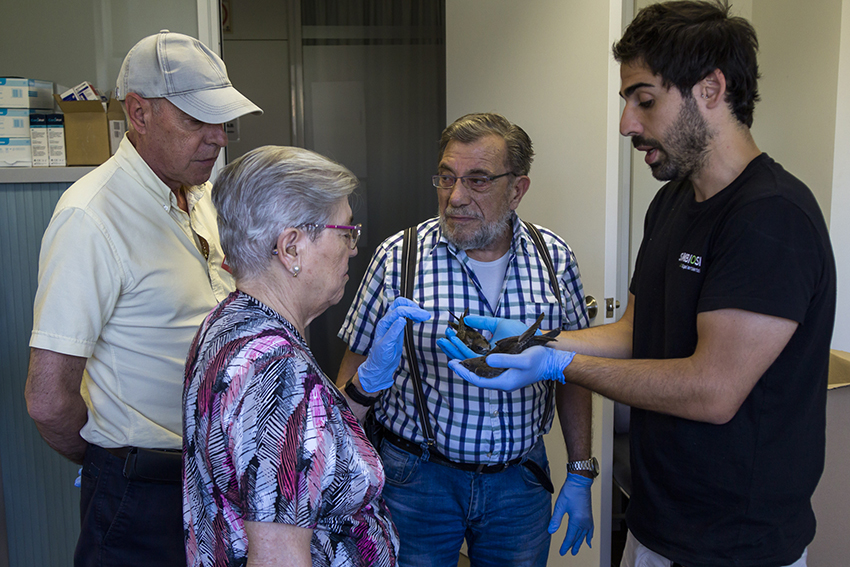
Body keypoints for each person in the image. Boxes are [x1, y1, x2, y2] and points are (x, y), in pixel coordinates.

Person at [444, 3, 837, 567]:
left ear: (711, 88)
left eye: (644, 100)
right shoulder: (673, 202)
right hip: (658, 520)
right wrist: (539, 341)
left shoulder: (771, 217)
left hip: (737, 544)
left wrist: (561, 367)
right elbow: (636, 331)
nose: (627, 122)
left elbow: (713, 390)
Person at [24, 30, 262, 567]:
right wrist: (116, 465)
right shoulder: (91, 216)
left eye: (222, 121)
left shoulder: (196, 195)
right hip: (144, 489)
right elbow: (47, 399)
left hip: (215, 478)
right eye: (197, 121)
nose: (219, 138)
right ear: (139, 113)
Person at [338, 112, 596, 566]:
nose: (455, 197)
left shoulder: (555, 259)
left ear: (517, 189)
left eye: (477, 180)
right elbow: (351, 375)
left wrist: (580, 470)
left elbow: (574, 373)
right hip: (416, 481)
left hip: (519, 484)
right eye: (446, 177)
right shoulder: (398, 258)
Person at [182, 145, 430, 566]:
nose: (353, 247)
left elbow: (304, 449)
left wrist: (365, 386)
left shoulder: (232, 321)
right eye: (346, 231)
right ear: (292, 247)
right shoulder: (274, 372)